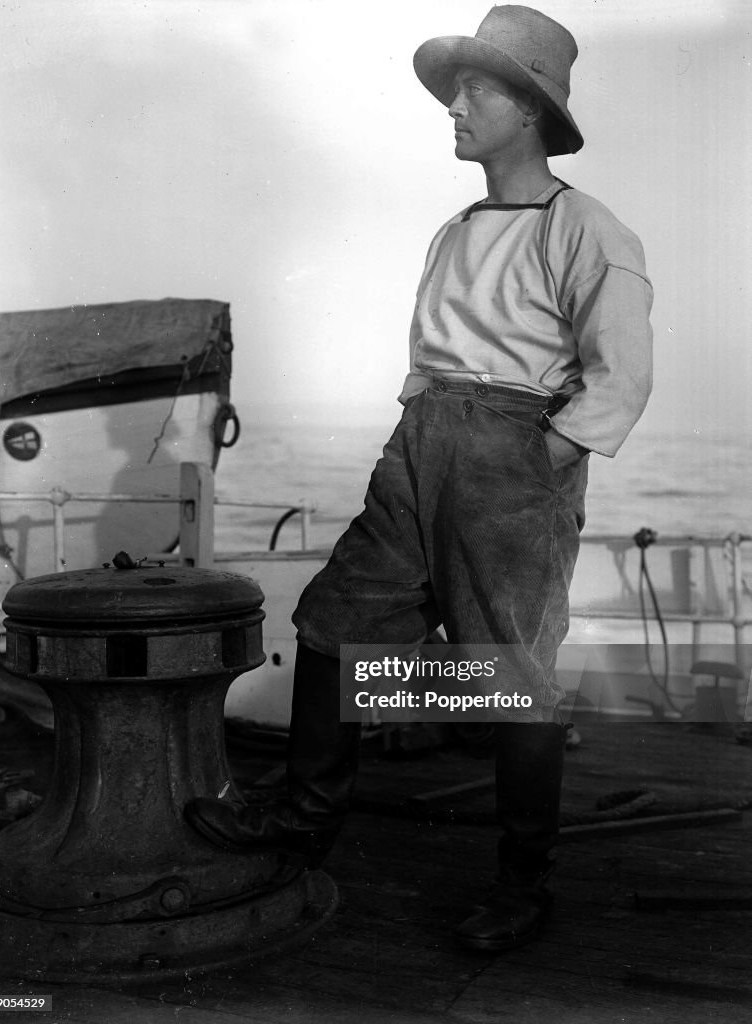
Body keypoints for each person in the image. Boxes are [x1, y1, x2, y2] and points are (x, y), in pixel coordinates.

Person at [187, 4, 653, 953]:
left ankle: (525, 884)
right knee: (335, 625)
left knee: (510, 675)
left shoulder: (588, 229)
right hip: (422, 444)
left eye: (477, 88)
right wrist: (422, 435)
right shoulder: (454, 229)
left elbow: (623, 375)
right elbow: (434, 357)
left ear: (529, 111)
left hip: (512, 455)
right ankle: (304, 821)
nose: (455, 106)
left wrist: (543, 457)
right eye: (454, 89)